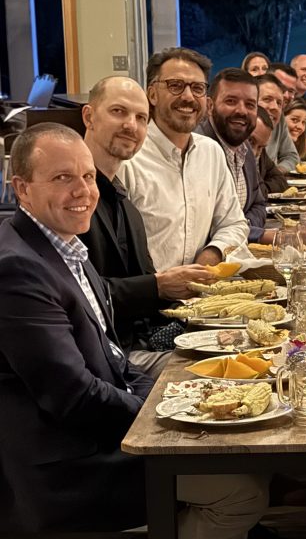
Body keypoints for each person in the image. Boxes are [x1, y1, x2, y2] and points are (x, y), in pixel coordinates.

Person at [0, 123, 277, 539]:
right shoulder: (17, 269)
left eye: (87, 176)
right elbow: (72, 397)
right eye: (63, 178)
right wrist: (169, 419)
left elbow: (110, 358)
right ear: (21, 188)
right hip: (60, 465)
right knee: (239, 490)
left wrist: (181, 397)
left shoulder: (56, 246)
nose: (83, 191)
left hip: (85, 436)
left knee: (241, 448)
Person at [80, 75, 213, 376]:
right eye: (118, 112)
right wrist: (159, 285)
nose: (131, 125)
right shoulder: (74, 200)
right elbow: (78, 295)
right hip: (108, 357)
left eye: (141, 118)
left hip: (146, 338)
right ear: (89, 116)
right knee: (216, 374)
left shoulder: (123, 201)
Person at [118, 47, 247, 276]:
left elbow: (234, 224)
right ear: (152, 94)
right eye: (175, 86)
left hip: (201, 298)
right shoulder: (128, 158)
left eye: (197, 88)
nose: (188, 97)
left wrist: (212, 254)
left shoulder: (211, 153)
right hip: (148, 300)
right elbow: (117, 251)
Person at [195, 67, 276, 245]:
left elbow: (258, 205)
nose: (242, 111)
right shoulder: (197, 149)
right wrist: (258, 234)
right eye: (231, 101)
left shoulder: (245, 147)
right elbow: (204, 228)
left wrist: (242, 228)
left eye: (250, 104)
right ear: (209, 106)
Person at [256, 72, 299, 173]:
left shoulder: (278, 120)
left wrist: (276, 172)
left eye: (279, 103)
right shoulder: (239, 131)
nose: (275, 107)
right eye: (267, 99)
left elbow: (291, 156)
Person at [250, 107, 288, 195]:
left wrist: (261, 189)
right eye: (250, 141)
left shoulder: (262, 153)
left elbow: (281, 181)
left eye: (260, 147)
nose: (254, 152)